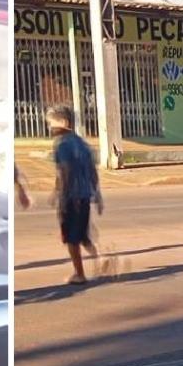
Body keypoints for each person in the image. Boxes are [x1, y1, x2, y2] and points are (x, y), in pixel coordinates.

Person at [46, 104, 103, 285]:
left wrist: (59, 195)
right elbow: (93, 171)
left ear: (64, 122)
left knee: (71, 239)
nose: (50, 127)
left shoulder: (62, 145)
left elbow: (64, 171)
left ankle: (80, 274)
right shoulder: (82, 144)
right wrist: (97, 194)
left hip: (71, 197)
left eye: (52, 123)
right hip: (84, 196)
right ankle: (100, 259)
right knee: (82, 234)